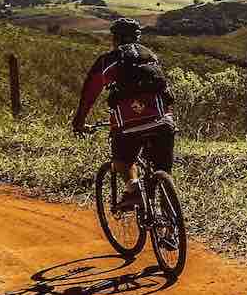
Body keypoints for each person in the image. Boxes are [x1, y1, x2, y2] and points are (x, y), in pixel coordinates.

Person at [71, 17, 177, 212]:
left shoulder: (107, 61)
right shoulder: (150, 56)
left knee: (122, 160)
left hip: (128, 126)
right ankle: (171, 231)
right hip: (163, 121)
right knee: (164, 172)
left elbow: (89, 95)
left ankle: (133, 189)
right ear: (137, 37)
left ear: (115, 39)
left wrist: (79, 122)